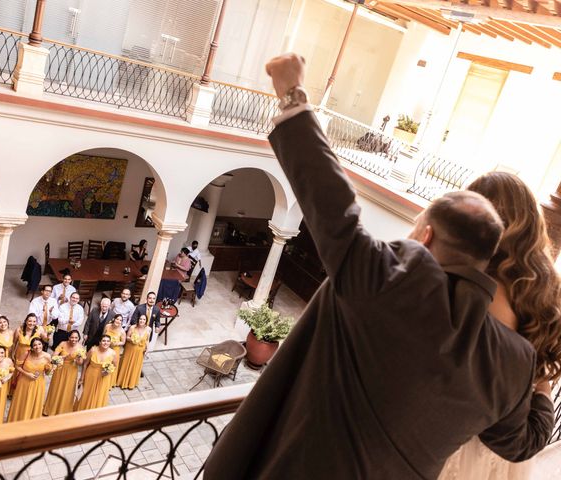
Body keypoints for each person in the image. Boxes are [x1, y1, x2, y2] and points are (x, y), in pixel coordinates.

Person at [204, 54, 554, 479]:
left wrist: (293, 93)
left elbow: (332, 200)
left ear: (426, 237)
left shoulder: (388, 281)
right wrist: (538, 388)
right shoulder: (514, 359)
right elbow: (521, 442)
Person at [439, 172, 561, 479]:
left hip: (449, 444)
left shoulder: (465, 288)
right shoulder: (539, 295)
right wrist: (542, 387)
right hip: (501, 458)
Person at [7, 337, 52, 422]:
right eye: (34, 345)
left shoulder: (47, 356)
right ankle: (17, 420)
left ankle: (30, 422)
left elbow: (47, 373)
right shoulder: (26, 353)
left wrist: (50, 368)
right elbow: (17, 366)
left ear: (42, 345)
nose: (37, 347)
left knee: (34, 403)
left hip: (38, 384)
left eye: (39, 344)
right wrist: (27, 374)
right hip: (24, 382)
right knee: (21, 401)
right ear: (31, 347)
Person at [43, 329, 85, 416]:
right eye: (72, 337)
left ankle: (63, 410)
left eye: (76, 338)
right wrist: (65, 357)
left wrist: (78, 359)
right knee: (56, 388)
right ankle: (50, 409)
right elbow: (54, 356)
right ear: (69, 337)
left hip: (72, 370)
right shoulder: (63, 343)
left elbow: (80, 363)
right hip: (60, 369)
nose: (74, 339)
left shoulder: (80, 347)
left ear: (78, 338)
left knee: (68, 390)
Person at [75, 335, 117, 411]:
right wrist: (82, 378)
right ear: (100, 342)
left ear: (110, 342)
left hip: (103, 377)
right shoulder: (93, 350)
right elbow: (85, 364)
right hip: (91, 375)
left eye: (108, 341)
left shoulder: (113, 353)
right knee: (87, 393)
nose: (105, 343)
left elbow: (115, 366)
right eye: (104, 341)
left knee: (99, 394)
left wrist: (108, 372)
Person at [116, 315, 150, 389]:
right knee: (126, 364)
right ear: (138, 320)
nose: (142, 321)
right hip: (130, 350)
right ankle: (121, 382)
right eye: (140, 319)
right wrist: (131, 339)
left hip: (139, 352)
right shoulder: (132, 327)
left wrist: (147, 350)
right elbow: (127, 337)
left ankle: (131, 383)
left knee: (135, 366)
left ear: (146, 321)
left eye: (144, 319)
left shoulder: (148, 330)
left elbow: (147, 340)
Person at [103, 314, 126, 388]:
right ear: (114, 319)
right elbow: (103, 335)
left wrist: (117, 343)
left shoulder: (122, 331)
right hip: (106, 348)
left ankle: (109, 383)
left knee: (112, 365)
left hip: (115, 349)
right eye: (117, 319)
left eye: (120, 320)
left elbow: (123, 342)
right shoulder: (108, 326)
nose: (118, 321)